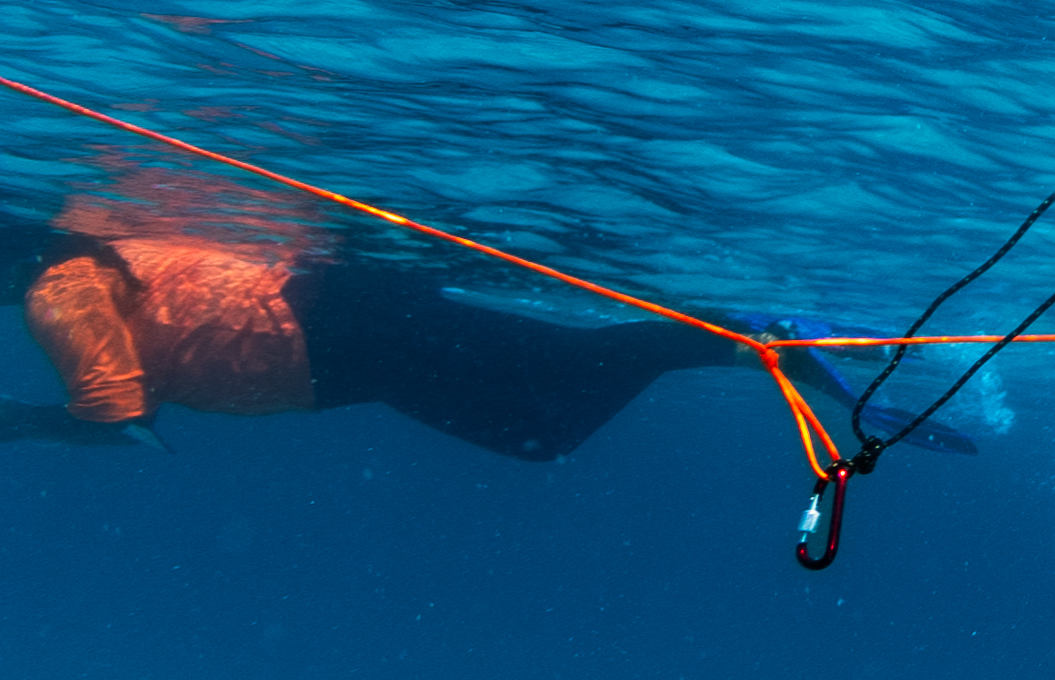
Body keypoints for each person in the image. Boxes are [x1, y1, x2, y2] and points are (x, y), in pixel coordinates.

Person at [4, 208, 725, 463]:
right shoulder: (102, 251)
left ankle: (745, 336)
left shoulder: (57, 292)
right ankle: (724, 339)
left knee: (557, 379)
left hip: (340, 336)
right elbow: (135, 400)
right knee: (543, 436)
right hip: (347, 337)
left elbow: (121, 417)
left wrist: (15, 424)